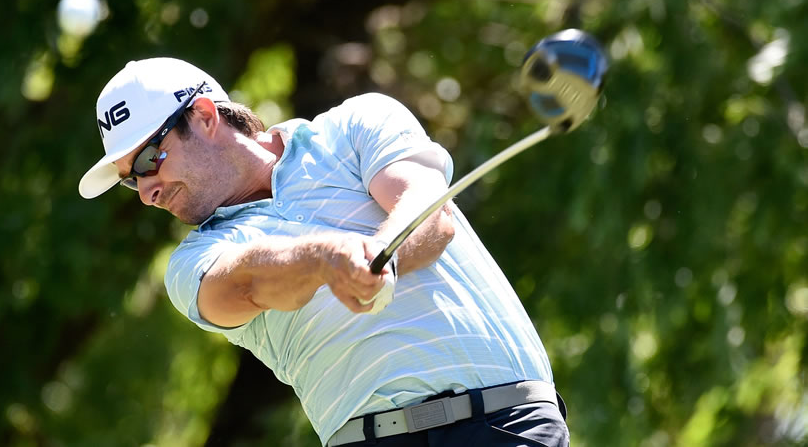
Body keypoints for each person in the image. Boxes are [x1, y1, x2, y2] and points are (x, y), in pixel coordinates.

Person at [79, 57, 569, 447]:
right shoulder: (192, 262)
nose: (147, 192)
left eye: (149, 159)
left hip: (506, 423)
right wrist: (325, 259)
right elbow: (245, 284)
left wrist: (379, 254)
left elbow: (429, 213)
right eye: (130, 180)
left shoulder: (356, 124)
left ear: (205, 116)